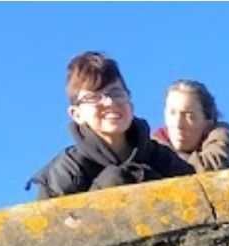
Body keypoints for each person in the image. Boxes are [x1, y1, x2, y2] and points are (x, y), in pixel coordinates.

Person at [28, 52, 195, 199]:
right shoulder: (66, 173)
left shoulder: (161, 158)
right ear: (76, 114)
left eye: (116, 93)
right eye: (94, 97)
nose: (109, 102)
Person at [155, 80, 229, 172]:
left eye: (189, 116)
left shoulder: (222, 141)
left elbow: (209, 167)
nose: (178, 124)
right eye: (172, 113)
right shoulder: (150, 145)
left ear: (207, 123)